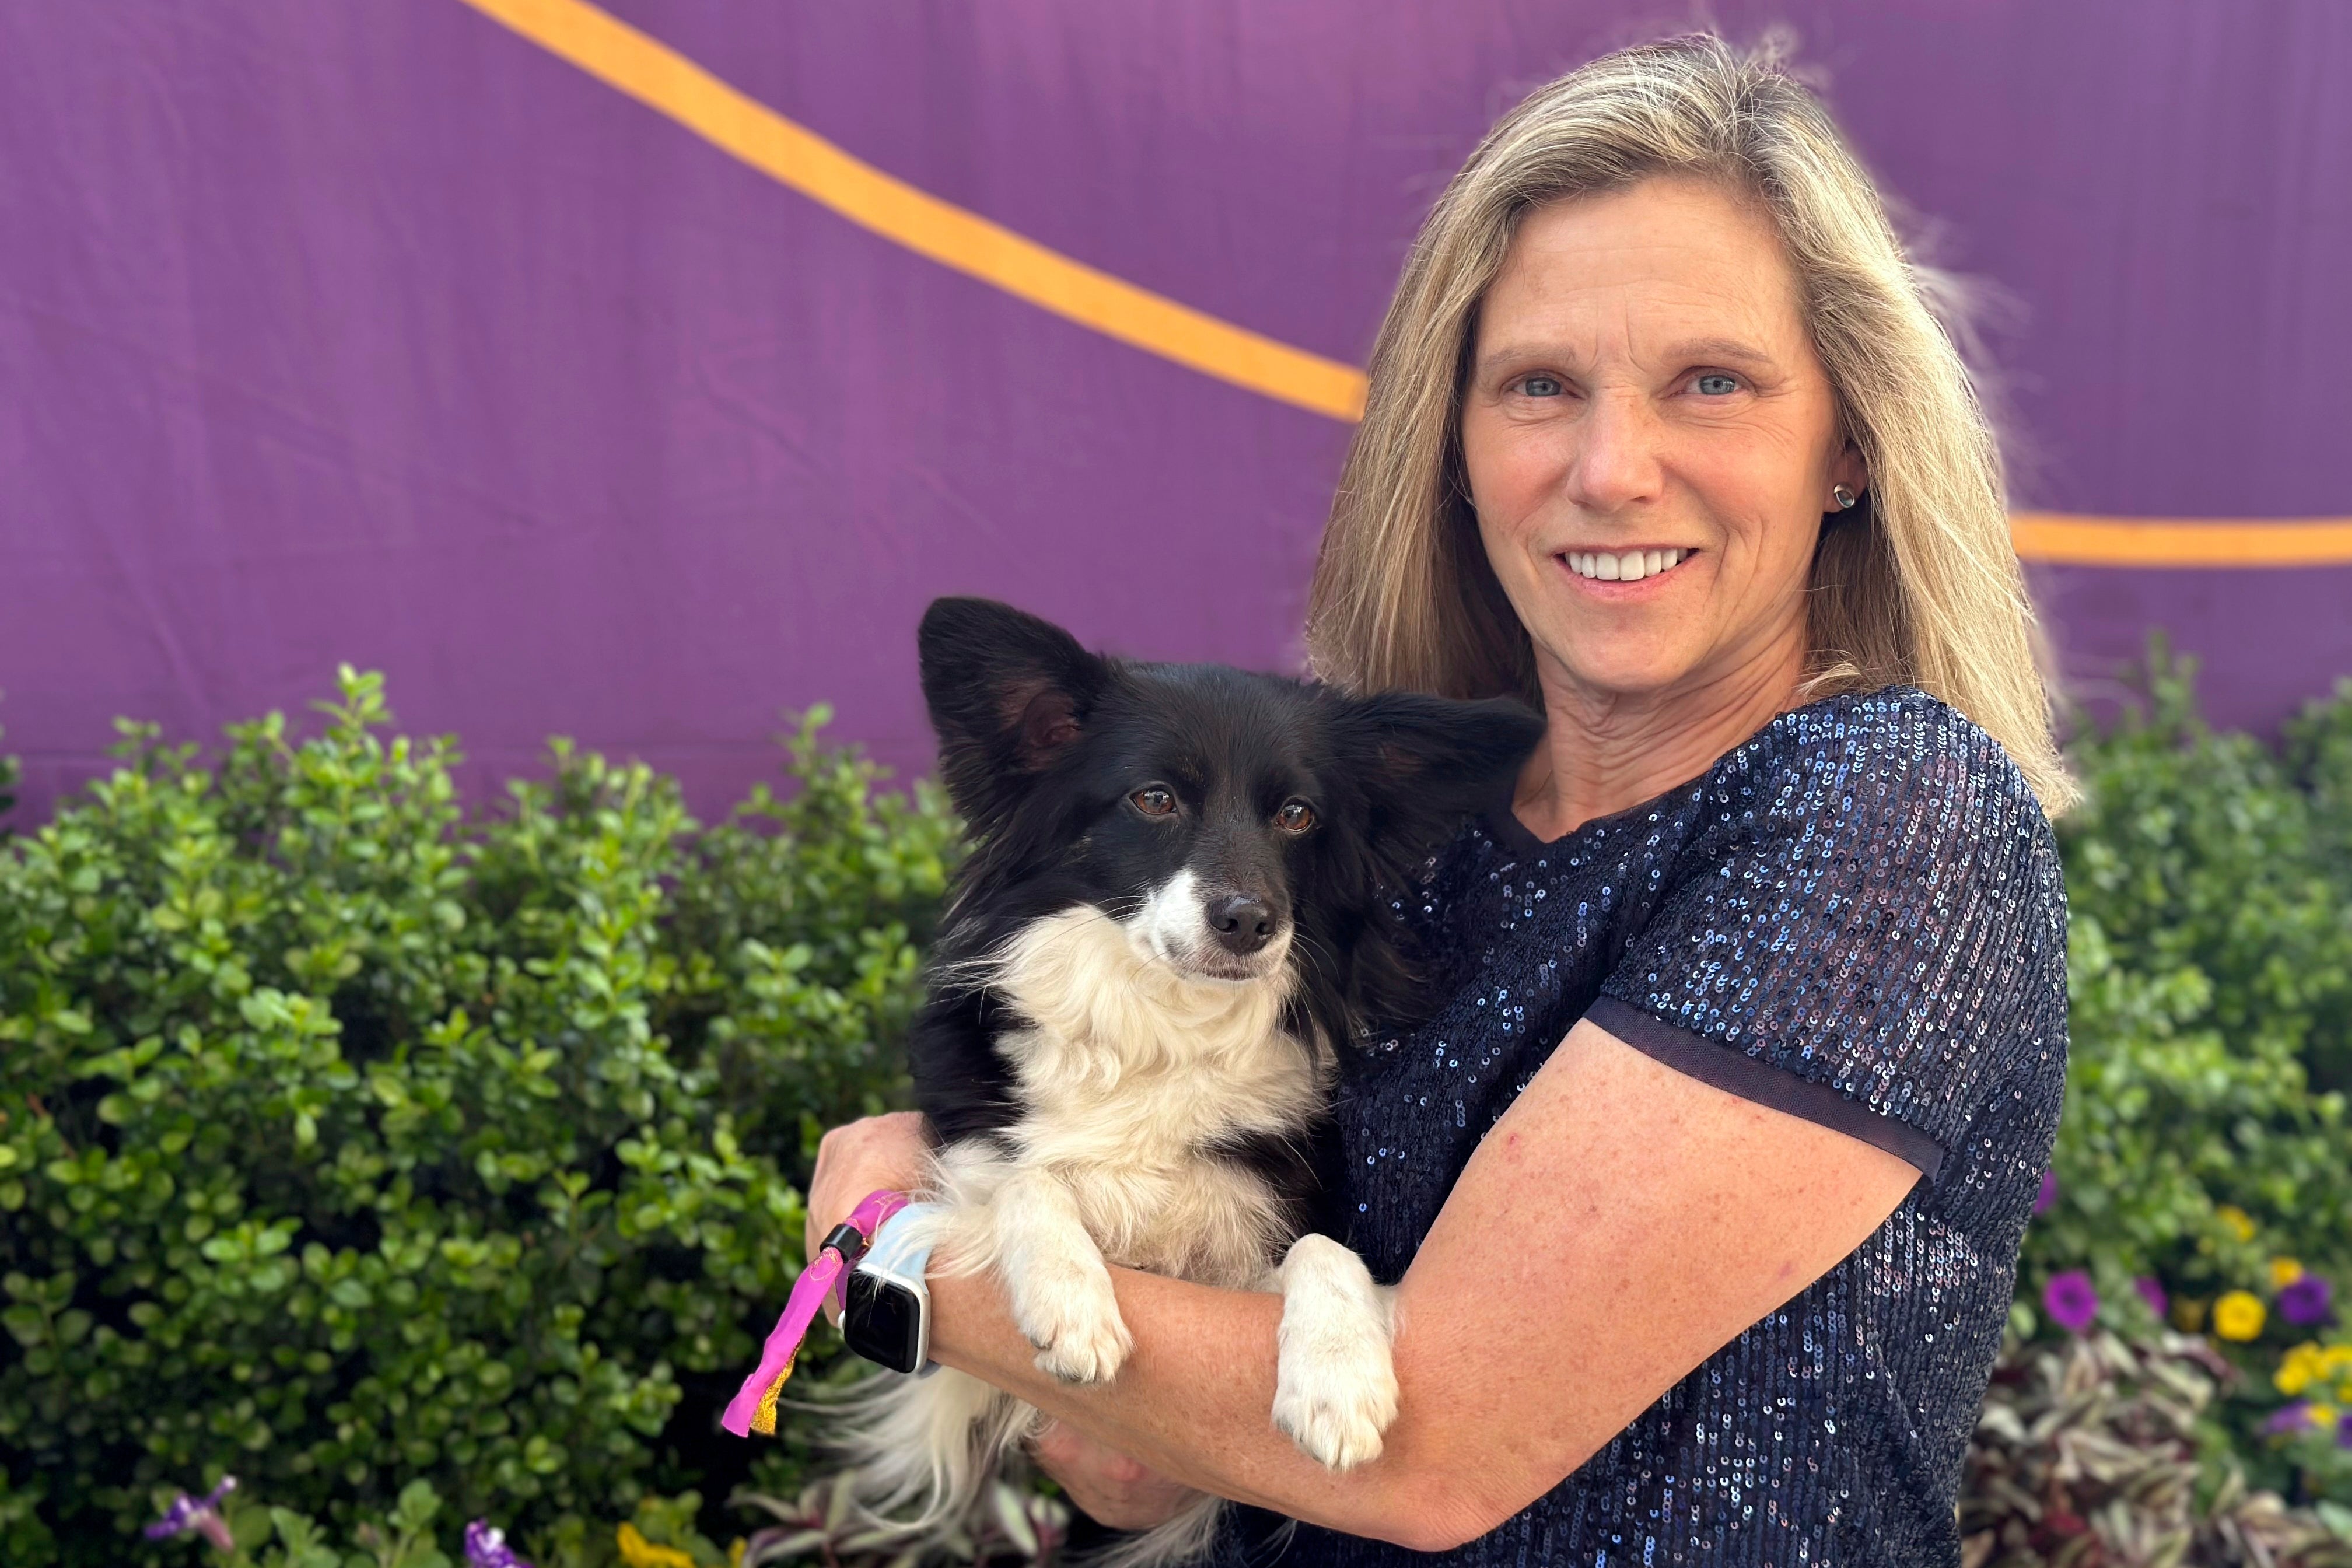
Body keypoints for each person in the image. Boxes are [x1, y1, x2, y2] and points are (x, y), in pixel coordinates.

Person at [806, 32, 2072, 1564]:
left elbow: (1441, 1446)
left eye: (1712, 382)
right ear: (1455, 448)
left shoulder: (1892, 813)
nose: (1611, 467)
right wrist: (1088, 1285)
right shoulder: (1383, 841)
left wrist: (899, 1253)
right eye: (1540, 385)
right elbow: (1134, 1467)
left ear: (1849, 447)